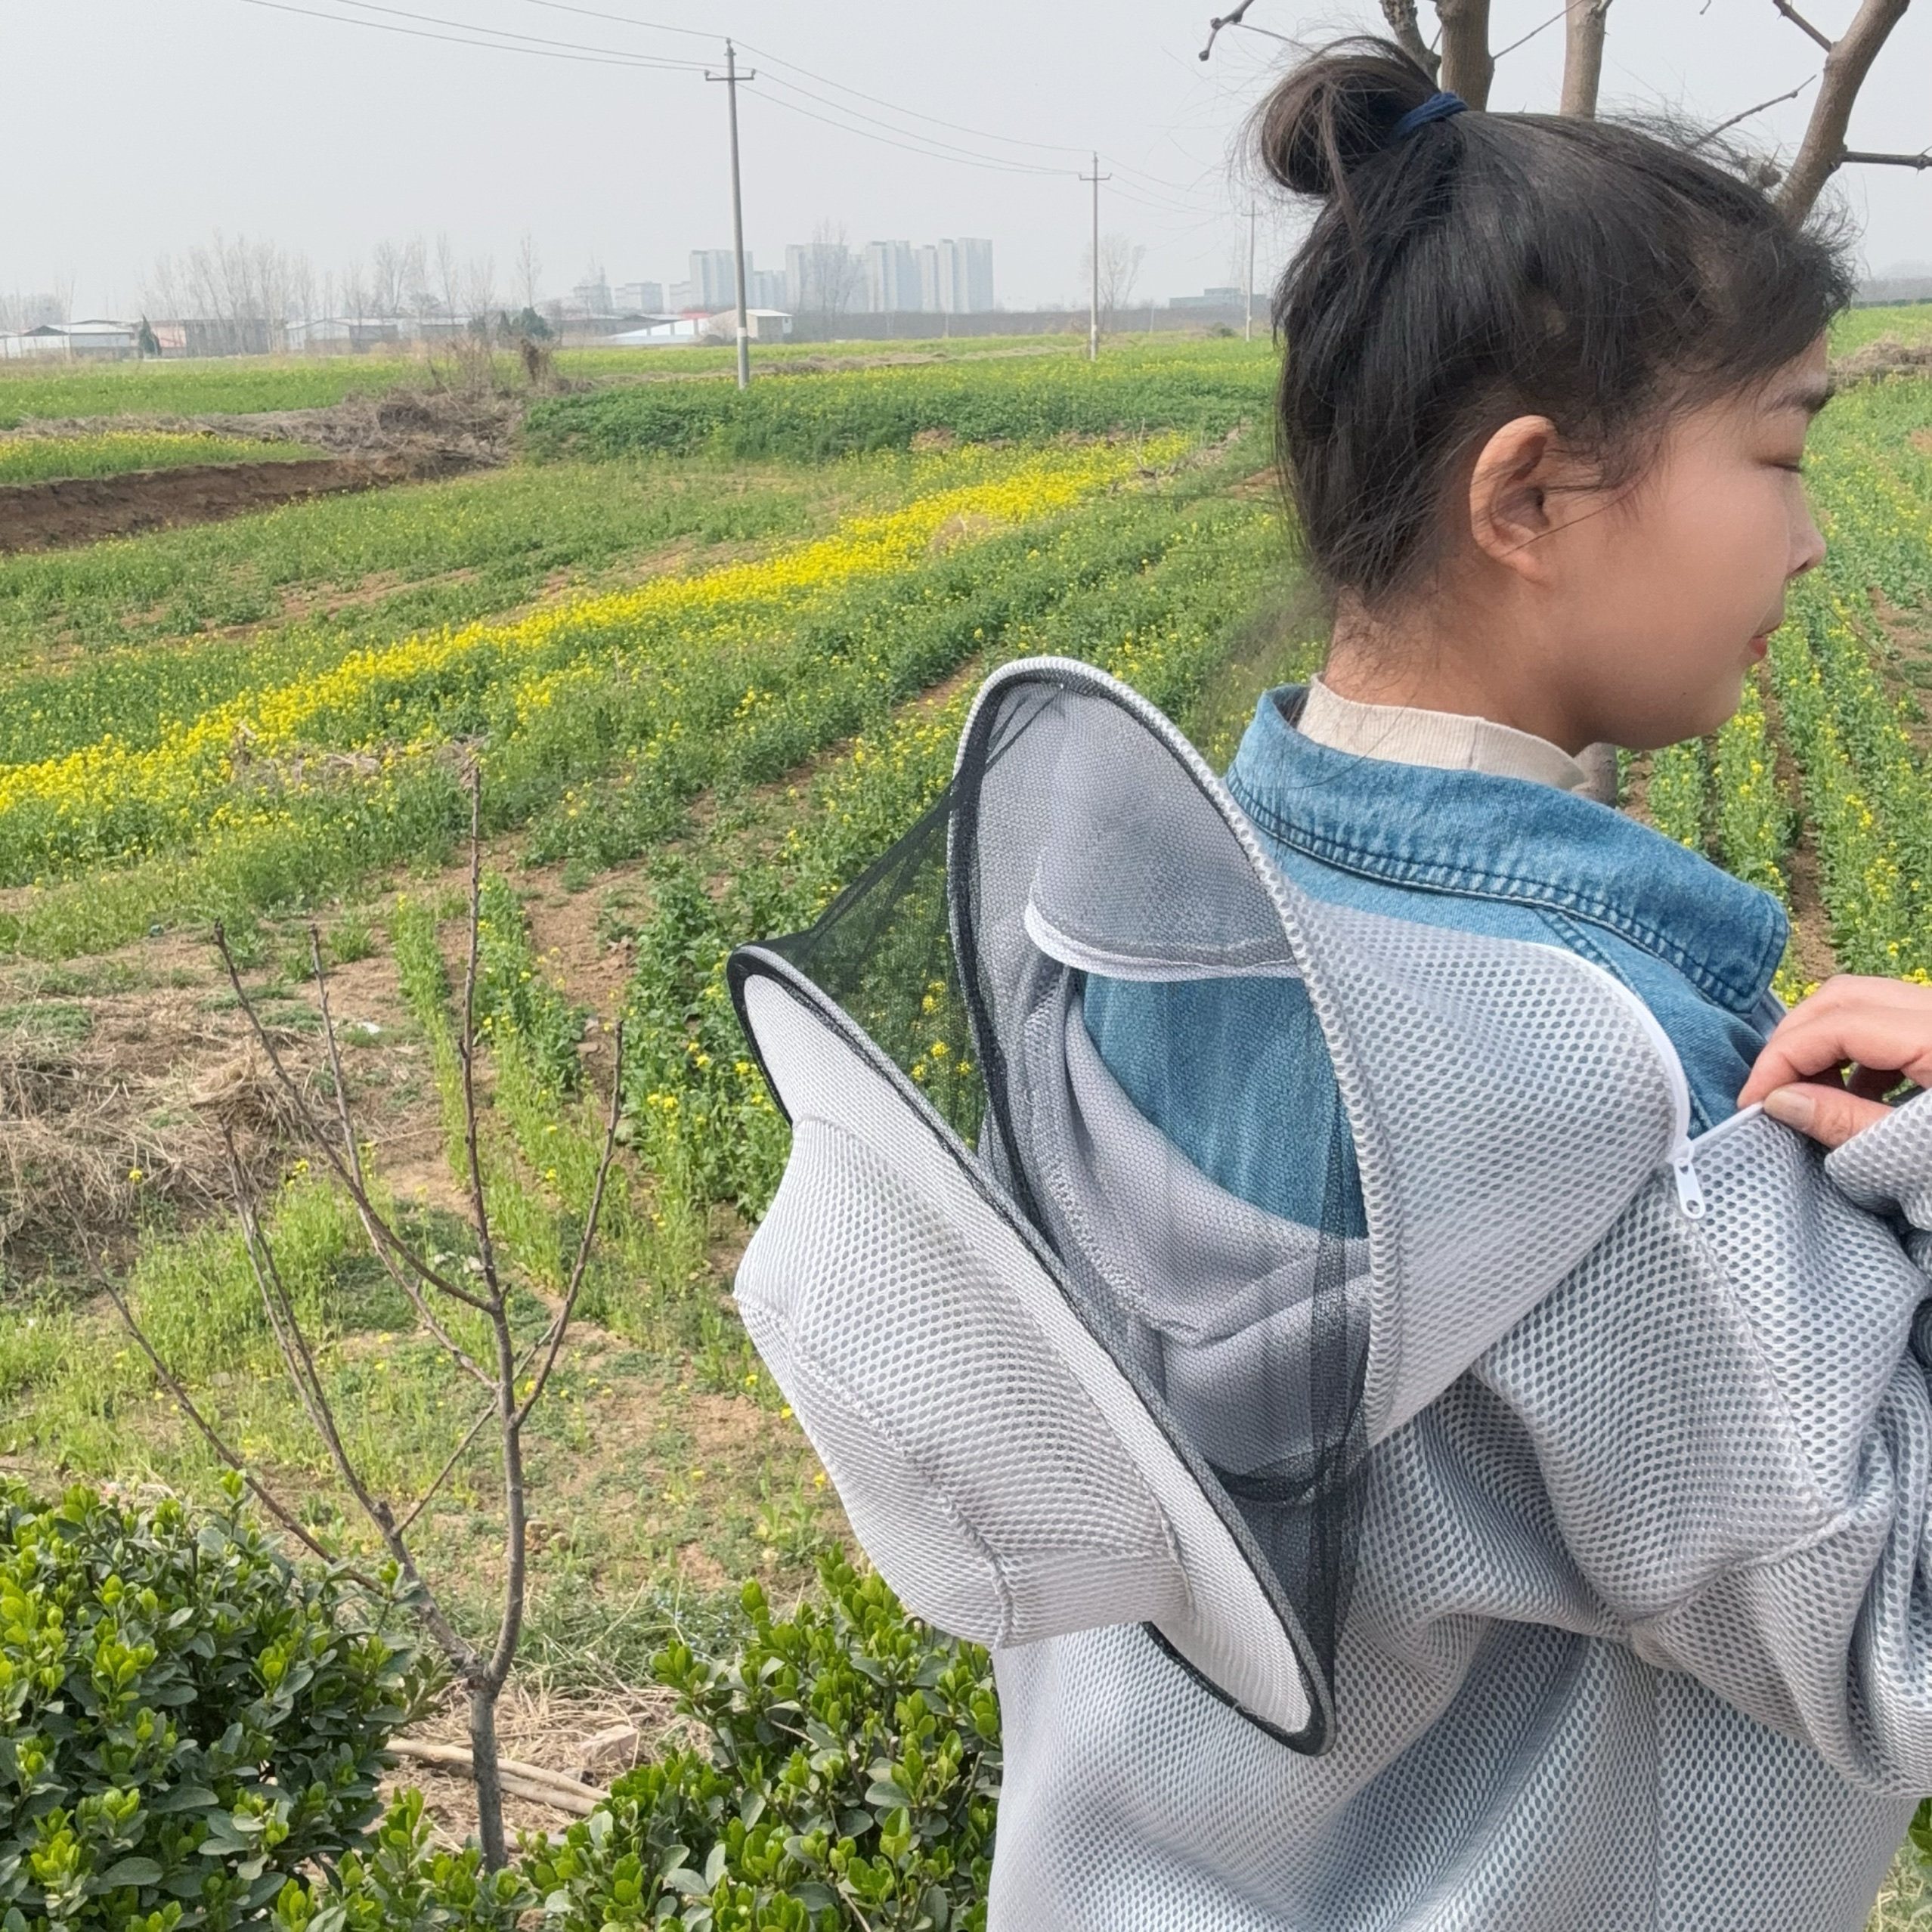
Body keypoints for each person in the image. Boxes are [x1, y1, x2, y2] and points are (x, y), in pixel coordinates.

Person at [987, 39, 1932, 1930]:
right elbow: (1900, 1646)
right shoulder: (1605, 1103)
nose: (1816, 534)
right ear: (1529, 501)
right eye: (1781, 450)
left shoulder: (1125, 952)